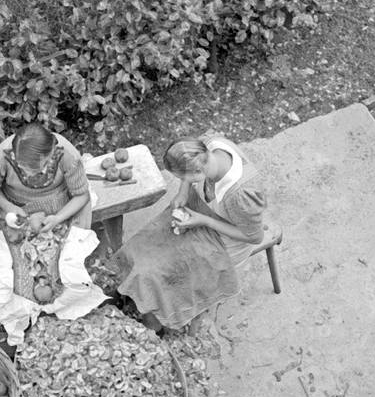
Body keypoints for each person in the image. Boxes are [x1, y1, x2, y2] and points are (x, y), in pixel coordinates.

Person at [113, 135, 267, 332]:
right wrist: (182, 193)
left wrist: (204, 221)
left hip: (226, 241)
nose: (182, 181)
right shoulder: (207, 147)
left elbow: (255, 237)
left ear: (198, 172)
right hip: (201, 210)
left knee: (165, 272)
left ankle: (157, 318)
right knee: (145, 243)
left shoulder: (240, 195)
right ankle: (135, 287)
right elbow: (190, 170)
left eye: (183, 179)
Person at [0, 122, 92, 237]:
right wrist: (9, 207)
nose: (30, 175)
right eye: (23, 168)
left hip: (62, 206)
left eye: (41, 166)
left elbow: (82, 195)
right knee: (11, 245)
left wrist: (58, 218)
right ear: (14, 156)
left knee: (71, 244)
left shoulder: (67, 154)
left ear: (51, 153)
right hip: (18, 209)